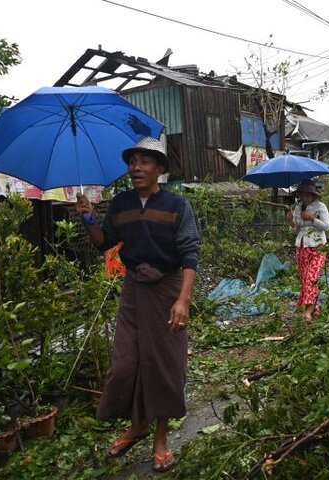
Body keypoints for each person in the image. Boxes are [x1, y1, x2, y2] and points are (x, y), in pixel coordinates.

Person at [75, 136, 200, 472]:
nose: (136, 168)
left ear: (159, 169)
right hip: (134, 290)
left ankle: (159, 439)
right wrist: (89, 219)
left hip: (168, 289)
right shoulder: (120, 205)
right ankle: (138, 425)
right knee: (126, 363)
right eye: (132, 162)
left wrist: (183, 301)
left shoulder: (177, 206)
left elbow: (190, 255)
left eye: (145, 162)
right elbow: (105, 243)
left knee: (163, 366)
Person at [286, 179, 329, 322]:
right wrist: (291, 222)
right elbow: (297, 229)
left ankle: (308, 312)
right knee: (305, 279)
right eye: (302, 195)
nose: (304, 198)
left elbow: (326, 226)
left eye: (307, 195)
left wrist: (312, 219)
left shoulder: (320, 207)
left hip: (318, 246)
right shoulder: (298, 207)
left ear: (313, 195)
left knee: (312, 278)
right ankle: (314, 307)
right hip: (302, 246)